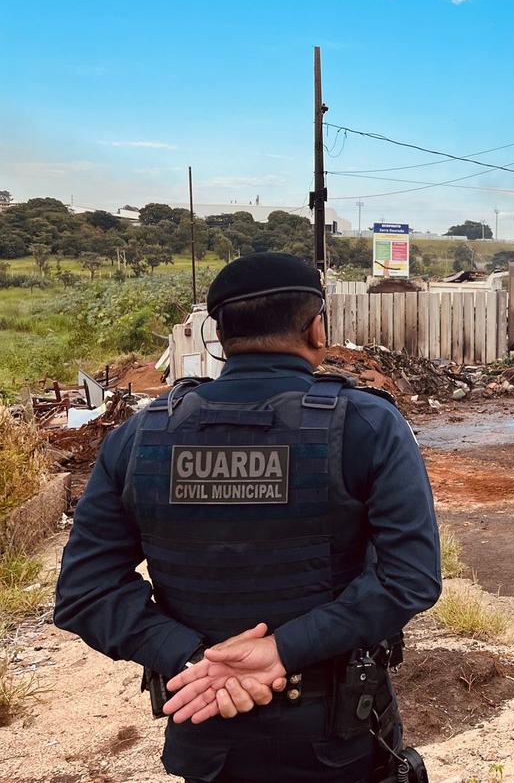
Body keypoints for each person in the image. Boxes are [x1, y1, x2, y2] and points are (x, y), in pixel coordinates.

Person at [54, 252, 442, 783]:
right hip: (339, 738)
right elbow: (409, 579)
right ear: (315, 327)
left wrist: (194, 661)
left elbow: (86, 591)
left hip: (206, 727)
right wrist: (282, 651)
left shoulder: (139, 437)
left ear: (220, 334)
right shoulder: (367, 425)